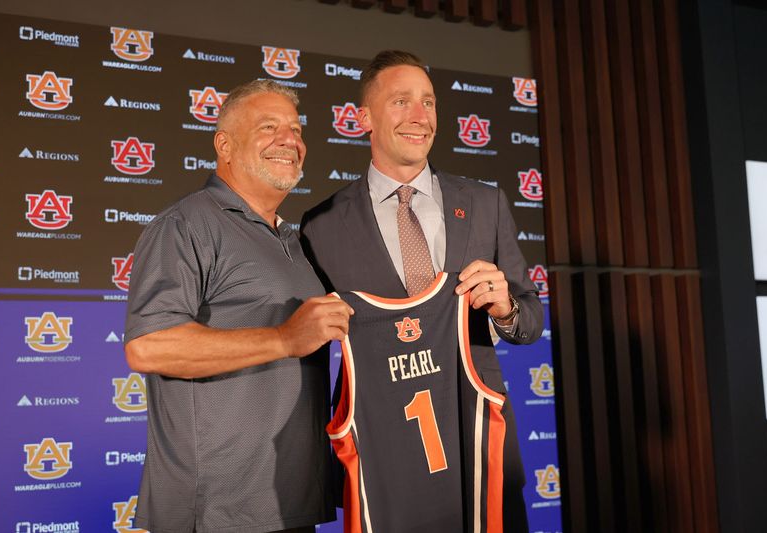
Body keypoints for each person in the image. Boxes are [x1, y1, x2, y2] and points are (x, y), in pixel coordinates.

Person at [300, 50, 543, 532]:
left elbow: (529, 323)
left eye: (429, 103)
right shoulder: (321, 227)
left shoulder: (485, 204)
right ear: (363, 118)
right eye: (401, 102)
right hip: (384, 459)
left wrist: (507, 307)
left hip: (478, 443)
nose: (420, 117)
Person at [124, 79, 353, 533]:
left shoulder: (293, 241)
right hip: (215, 514)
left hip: (289, 507)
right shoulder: (185, 225)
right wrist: (285, 338)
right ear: (224, 145)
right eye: (269, 127)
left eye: (295, 129)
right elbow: (148, 347)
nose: (290, 140)